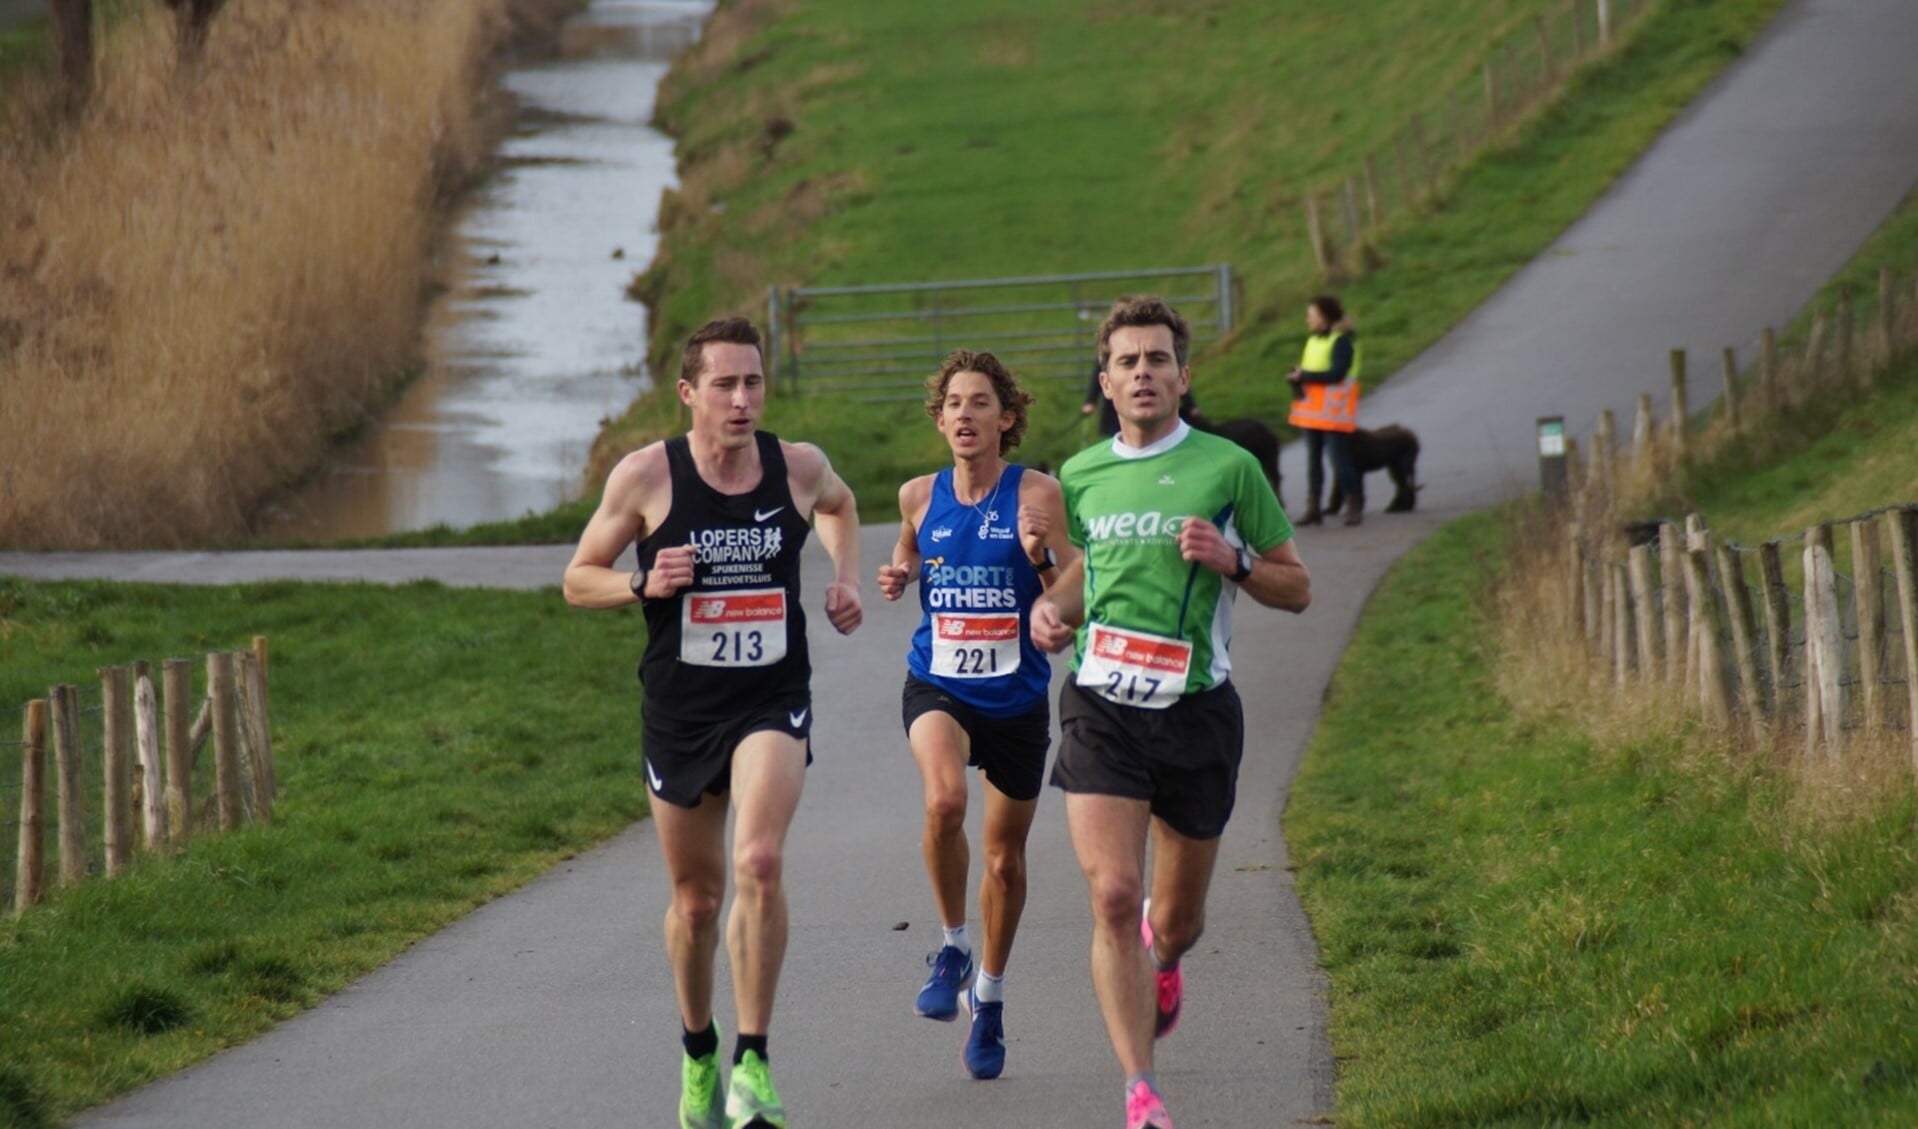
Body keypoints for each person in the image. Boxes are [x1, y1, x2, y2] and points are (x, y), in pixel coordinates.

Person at [563, 316, 863, 1129]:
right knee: (696, 903)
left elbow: (839, 505)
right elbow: (576, 578)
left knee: (759, 858)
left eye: (753, 383)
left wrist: (843, 577)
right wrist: (641, 583)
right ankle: (699, 1048)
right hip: (681, 709)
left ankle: (754, 1060)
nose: (742, 399)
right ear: (689, 393)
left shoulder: (796, 466)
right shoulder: (645, 477)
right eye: (725, 384)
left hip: (770, 698)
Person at [1033, 296, 1310, 1129]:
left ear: (1182, 378)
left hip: (1195, 715)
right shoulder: (1079, 474)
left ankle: (1169, 956)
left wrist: (1234, 560)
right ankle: (1140, 1089)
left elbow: (1297, 587)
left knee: (1176, 919)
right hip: (1100, 709)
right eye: (1128, 361)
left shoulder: (1229, 468)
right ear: (1107, 382)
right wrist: (1055, 610)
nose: (1144, 373)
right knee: (1114, 894)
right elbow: (1089, 574)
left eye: (1158, 359)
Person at [875, 349, 1077, 1080]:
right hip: (939, 682)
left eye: (980, 402)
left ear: (1008, 417)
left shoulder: (1040, 493)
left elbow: (1073, 582)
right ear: (940, 420)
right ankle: (953, 943)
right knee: (944, 799)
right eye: (953, 403)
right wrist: (901, 570)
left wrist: (1043, 559)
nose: (964, 413)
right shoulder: (918, 494)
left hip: (1016, 697)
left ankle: (988, 997)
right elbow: (908, 546)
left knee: (1003, 858)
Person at [1284, 294, 1363, 526]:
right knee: (1314, 460)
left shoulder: (1341, 341)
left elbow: (1337, 373)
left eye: (1312, 315)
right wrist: (1300, 375)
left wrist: (1304, 376)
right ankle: (1314, 507)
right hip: (1313, 412)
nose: (1308, 319)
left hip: (1334, 411)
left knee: (1339, 459)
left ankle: (1353, 504)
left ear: (1324, 317)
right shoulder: (1314, 340)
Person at [1084, 356, 1201, 438]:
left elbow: (1173, 376)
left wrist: (1191, 405)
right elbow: (1098, 374)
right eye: (1127, 362)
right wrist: (1090, 401)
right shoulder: (1113, 346)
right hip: (1115, 411)